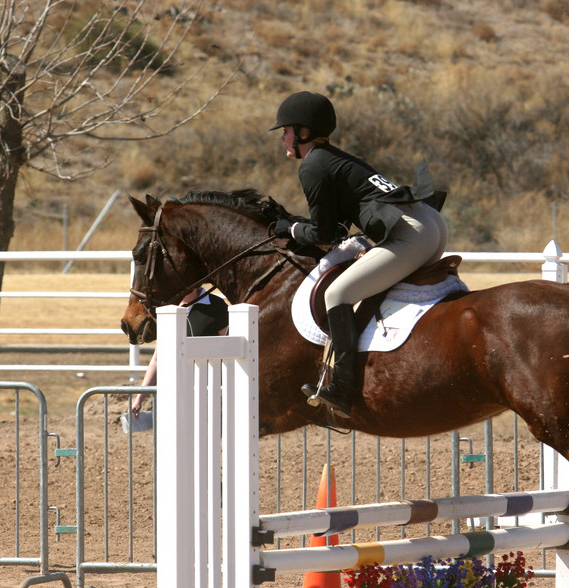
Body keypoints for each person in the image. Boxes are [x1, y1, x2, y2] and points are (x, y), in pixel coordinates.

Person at [268, 91, 449, 419]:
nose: (282, 137)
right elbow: (335, 228)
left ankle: (342, 387)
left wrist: (289, 229)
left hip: (411, 233)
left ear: (303, 133)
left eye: (286, 130)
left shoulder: (313, 166)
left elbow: (326, 235)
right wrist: (295, 224)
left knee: (337, 293)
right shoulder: (334, 158)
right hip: (430, 222)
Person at [129, 287, 229, 417]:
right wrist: (139, 398)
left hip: (209, 394)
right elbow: (156, 360)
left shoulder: (217, 306)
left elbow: (228, 351)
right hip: (173, 393)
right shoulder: (167, 308)